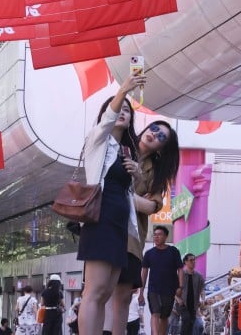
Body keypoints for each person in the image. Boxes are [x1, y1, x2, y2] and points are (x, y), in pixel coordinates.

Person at [76, 72, 147, 335]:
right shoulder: (98, 140)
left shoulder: (125, 151)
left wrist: (137, 174)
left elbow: (132, 196)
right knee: (94, 290)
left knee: (106, 292)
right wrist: (124, 90)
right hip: (100, 218)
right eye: (118, 107)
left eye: (128, 110)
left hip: (120, 226)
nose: (122, 112)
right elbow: (107, 118)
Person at [108, 120, 181, 335]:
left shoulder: (156, 171)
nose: (154, 135)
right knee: (98, 293)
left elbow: (151, 206)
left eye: (161, 137)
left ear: (162, 148)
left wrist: (122, 196)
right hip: (105, 229)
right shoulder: (119, 146)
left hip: (130, 238)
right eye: (154, 129)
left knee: (121, 298)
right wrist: (135, 198)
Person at [140, 226, 183, 335]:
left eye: (159, 234)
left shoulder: (173, 251)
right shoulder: (149, 253)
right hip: (153, 289)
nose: (156, 237)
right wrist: (141, 292)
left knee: (164, 316)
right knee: (155, 313)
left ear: (166, 237)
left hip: (169, 289)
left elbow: (180, 269)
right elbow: (144, 272)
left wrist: (180, 286)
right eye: (155, 234)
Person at [177, 255, 204, 335]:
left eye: (194, 260)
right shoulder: (180, 275)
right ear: (185, 262)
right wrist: (178, 299)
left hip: (193, 305)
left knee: (191, 324)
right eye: (191, 260)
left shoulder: (199, 276)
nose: (194, 262)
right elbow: (171, 290)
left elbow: (202, 290)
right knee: (186, 319)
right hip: (182, 304)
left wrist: (202, 299)